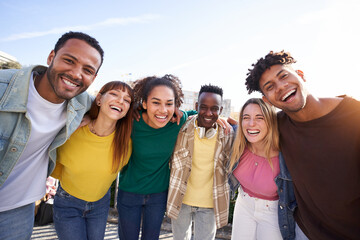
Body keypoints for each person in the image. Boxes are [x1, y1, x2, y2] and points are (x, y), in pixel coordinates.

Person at [245, 50, 360, 239]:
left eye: (283, 76)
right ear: (267, 100)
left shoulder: (354, 116)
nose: (281, 87)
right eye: (270, 86)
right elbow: (247, 130)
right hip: (304, 233)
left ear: (300, 75)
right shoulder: (277, 125)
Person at [0, 31, 104, 239]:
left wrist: (178, 113)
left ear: (94, 78)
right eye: (69, 60)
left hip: (18, 207)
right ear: (51, 57)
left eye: (87, 70)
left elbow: (118, 109)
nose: (76, 74)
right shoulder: (4, 88)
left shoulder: (83, 102)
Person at [116, 74, 197, 240]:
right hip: (129, 193)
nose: (163, 110)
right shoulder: (131, 121)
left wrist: (225, 120)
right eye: (156, 102)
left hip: (158, 195)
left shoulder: (178, 121)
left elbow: (201, 113)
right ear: (144, 103)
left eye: (169, 103)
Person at [51, 81, 133, 240]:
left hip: (100, 205)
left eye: (127, 100)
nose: (120, 101)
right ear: (99, 99)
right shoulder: (74, 129)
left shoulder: (126, 142)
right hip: (68, 203)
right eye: (114, 94)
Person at [167, 84, 234, 240]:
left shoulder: (228, 134)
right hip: (181, 201)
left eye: (214, 109)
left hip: (210, 204)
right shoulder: (181, 127)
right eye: (203, 107)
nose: (209, 113)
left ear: (221, 110)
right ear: (196, 106)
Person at [228, 98, 282, 240]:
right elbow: (212, 117)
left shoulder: (284, 155)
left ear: (270, 121)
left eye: (260, 118)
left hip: (273, 212)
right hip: (243, 204)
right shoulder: (238, 143)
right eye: (246, 118)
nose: (251, 124)